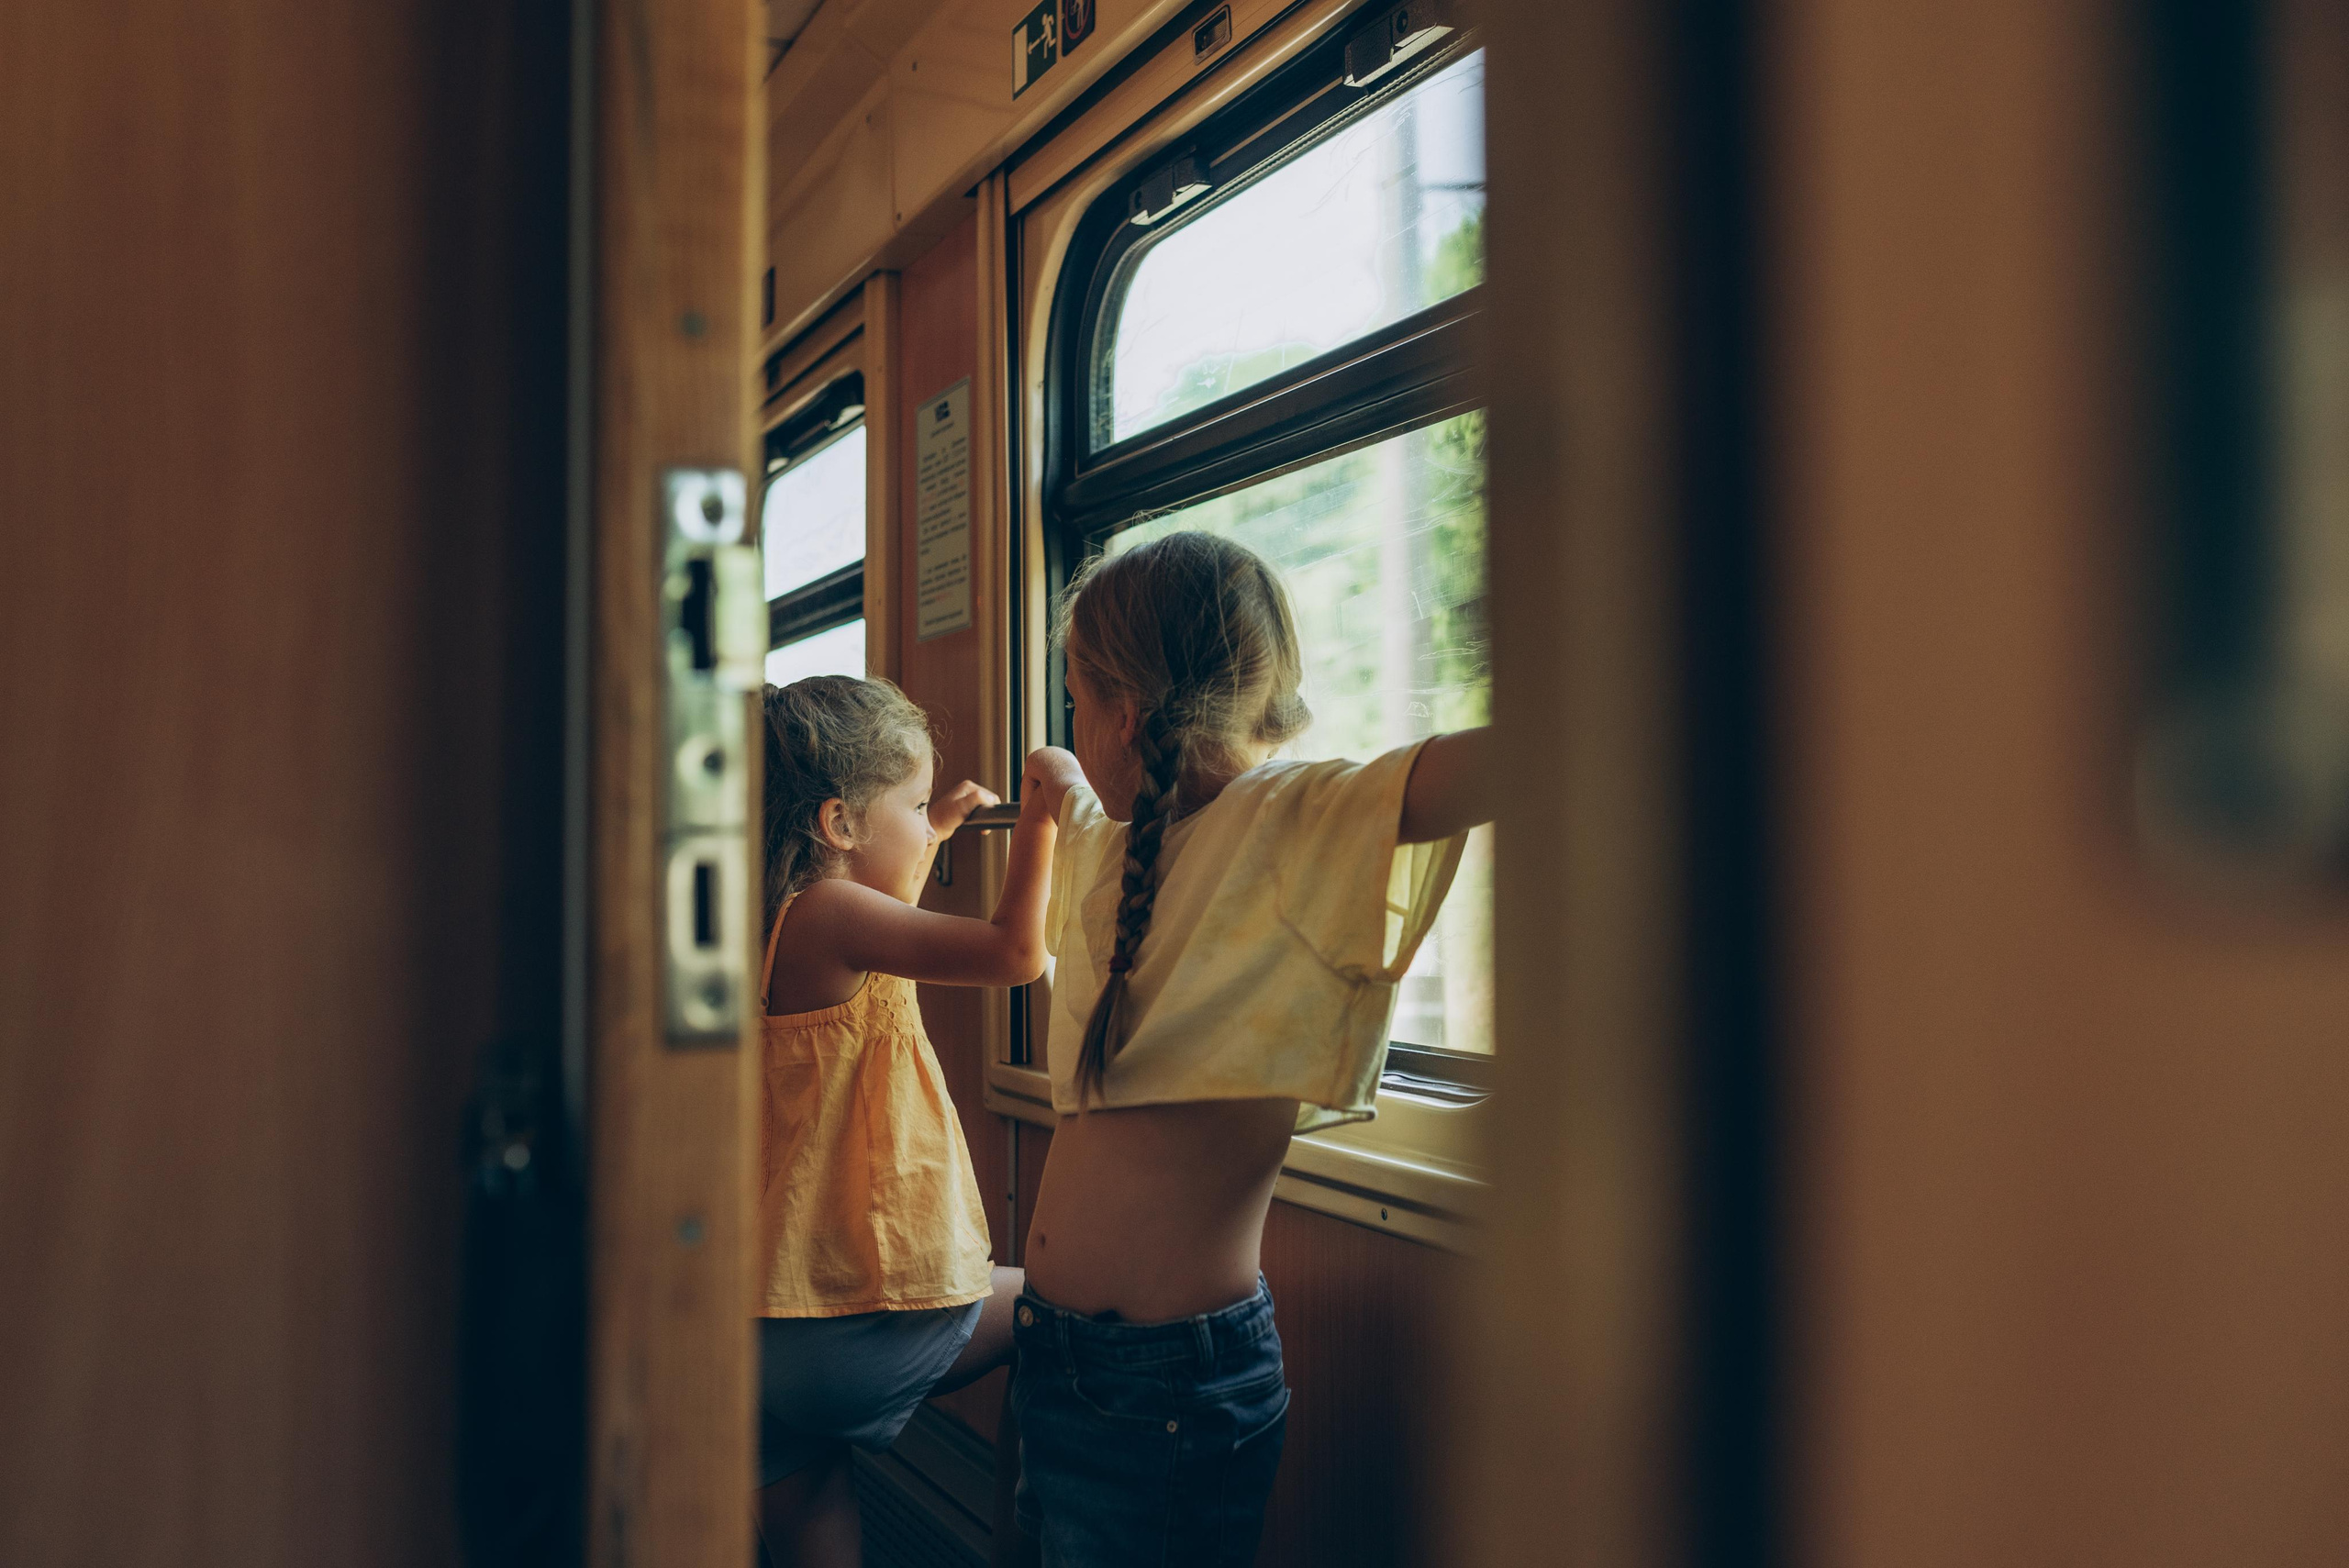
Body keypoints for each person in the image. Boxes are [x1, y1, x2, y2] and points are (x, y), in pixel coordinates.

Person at [1009, 531, 1496, 1565]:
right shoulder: (1130, 845)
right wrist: (1052, 771)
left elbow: (1486, 770)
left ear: (1125, 712)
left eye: (1073, 701)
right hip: (1055, 1349)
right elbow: (1074, 794)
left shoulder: (1294, 816)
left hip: (1168, 1386)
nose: (1071, 727)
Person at [752, 674, 1074, 1567]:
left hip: (760, 1312)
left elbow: (883, 900)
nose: (925, 816)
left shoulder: (777, 922)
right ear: (838, 824)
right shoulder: (835, 914)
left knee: (810, 1507)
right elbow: (1014, 952)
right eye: (914, 801)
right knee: (1060, 1305)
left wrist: (930, 830)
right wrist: (1039, 817)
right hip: (849, 1319)